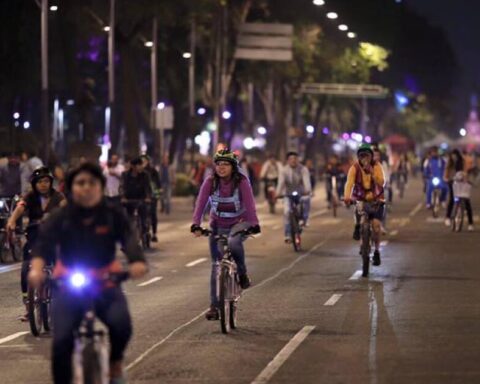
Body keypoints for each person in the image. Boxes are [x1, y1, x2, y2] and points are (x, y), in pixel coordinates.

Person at [28, 162, 148, 384]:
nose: (85, 187)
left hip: (106, 281)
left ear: (100, 186)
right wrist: (36, 269)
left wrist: (137, 262)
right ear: (72, 187)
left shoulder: (112, 213)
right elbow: (43, 244)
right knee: (61, 340)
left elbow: (129, 239)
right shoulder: (61, 216)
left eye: (91, 182)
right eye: (79, 183)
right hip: (67, 283)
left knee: (121, 325)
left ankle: (114, 362)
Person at [190, 149, 260, 321]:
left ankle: (242, 274)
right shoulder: (210, 182)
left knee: (234, 243)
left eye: (225, 164)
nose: (221, 167)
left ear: (233, 166)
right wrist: (196, 224)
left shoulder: (241, 181)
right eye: (218, 164)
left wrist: (254, 224)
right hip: (218, 225)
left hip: (239, 222)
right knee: (216, 266)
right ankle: (214, 306)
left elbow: (250, 204)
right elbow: (200, 204)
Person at [6, 167, 66, 321]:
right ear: (34, 184)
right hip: (35, 237)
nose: (43, 184)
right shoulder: (30, 197)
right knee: (26, 268)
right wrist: (12, 221)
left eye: (46, 181)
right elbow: (20, 208)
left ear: (50, 182)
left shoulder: (58, 196)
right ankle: (29, 306)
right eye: (40, 182)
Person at [344, 144, 385, 268]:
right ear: (358, 157)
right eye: (362, 156)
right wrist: (347, 196)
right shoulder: (354, 168)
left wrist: (372, 173)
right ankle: (358, 227)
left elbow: (381, 182)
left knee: (376, 227)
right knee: (359, 213)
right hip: (361, 198)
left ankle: (377, 251)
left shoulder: (377, 166)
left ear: (371, 156)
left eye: (367, 155)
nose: (364, 158)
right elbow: (349, 183)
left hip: (376, 199)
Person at [276, 151, 312, 242]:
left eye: (295, 159)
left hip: (301, 193)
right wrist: (278, 193)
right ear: (288, 161)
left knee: (306, 200)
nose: (293, 161)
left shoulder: (303, 169)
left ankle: (304, 219)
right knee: (287, 212)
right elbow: (280, 183)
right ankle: (287, 234)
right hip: (288, 194)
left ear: (298, 160)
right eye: (291, 159)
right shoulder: (284, 170)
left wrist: (307, 190)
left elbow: (306, 181)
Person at [120, 157, 152, 238]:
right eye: (139, 165)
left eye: (141, 165)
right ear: (133, 166)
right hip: (128, 200)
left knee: (144, 213)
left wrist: (148, 197)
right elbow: (122, 187)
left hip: (142, 199)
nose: (141, 167)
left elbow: (147, 187)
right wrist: (123, 197)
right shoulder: (125, 175)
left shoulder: (145, 175)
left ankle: (145, 229)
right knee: (126, 218)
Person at [141, 155, 161, 242]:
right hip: (142, 196)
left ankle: (154, 233)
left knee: (153, 214)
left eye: (144, 161)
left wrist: (159, 191)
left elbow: (158, 183)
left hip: (153, 196)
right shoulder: (139, 172)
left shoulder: (153, 171)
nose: (143, 163)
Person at [444, 149, 464, 226]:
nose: (454, 157)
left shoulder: (461, 162)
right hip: (451, 182)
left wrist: (464, 178)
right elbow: (446, 172)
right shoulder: (449, 163)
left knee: (464, 198)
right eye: (452, 155)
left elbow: (464, 172)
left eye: (455, 155)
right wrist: (446, 178)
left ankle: (463, 210)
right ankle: (447, 217)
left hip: (460, 182)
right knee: (452, 199)